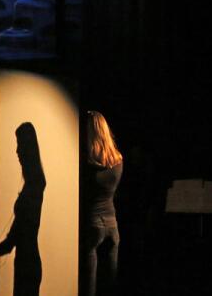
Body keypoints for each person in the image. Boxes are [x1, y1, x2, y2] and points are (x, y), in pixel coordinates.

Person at [0, 122, 45, 296]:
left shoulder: (33, 186)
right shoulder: (35, 184)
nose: (16, 151)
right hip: (27, 263)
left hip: (27, 265)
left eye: (19, 145)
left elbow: (15, 237)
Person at [81, 111, 123, 296]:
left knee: (89, 287)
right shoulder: (118, 160)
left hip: (93, 224)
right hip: (113, 226)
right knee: (110, 286)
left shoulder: (87, 162)